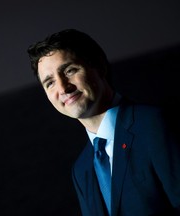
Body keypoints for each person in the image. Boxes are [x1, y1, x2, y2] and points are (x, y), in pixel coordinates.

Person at [27, 29, 180, 216]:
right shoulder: (81, 169)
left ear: (99, 66)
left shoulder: (154, 125)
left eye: (70, 70)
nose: (62, 87)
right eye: (49, 83)